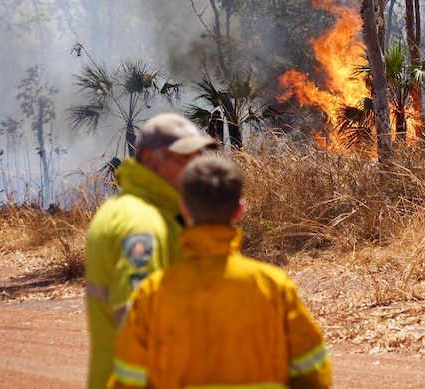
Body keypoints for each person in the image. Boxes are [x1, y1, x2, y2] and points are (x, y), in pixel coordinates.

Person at [109, 156, 332, 389]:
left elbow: (127, 382)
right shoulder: (274, 286)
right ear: (239, 210)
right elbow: (315, 375)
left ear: (185, 210)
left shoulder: (152, 293)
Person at [84, 112, 218, 389]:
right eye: (182, 159)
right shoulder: (141, 223)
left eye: (197, 157)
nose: (194, 167)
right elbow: (137, 323)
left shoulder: (147, 212)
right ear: (148, 160)